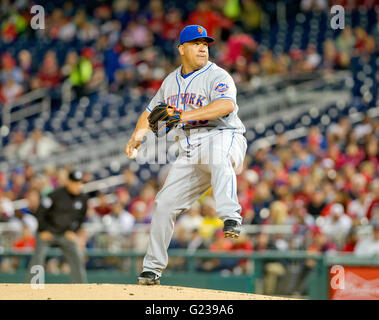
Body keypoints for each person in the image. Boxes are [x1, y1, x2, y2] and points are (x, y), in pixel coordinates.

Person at [125, 24, 247, 285]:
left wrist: (183, 115)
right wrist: (137, 137)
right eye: (195, 43)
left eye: (206, 43)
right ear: (182, 49)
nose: (203, 47)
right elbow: (150, 113)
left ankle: (231, 217)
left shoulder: (218, 75)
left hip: (224, 137)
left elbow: (226, 105)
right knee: (163, 204)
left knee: (217, 156)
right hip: (190, 151)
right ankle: (152, 269)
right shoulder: (170, 82)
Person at [26, 170, 88, 283]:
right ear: (68, 182)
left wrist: (73, 231)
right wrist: (43, 229)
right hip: (48, 232)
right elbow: (40, 212)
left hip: (65, 233)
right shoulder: (55, 195)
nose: (77, 185)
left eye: (79, 182)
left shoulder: (83, 198)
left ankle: (80, 286)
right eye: (74, 182)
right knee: (38, 257)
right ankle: (33, 285)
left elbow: (81, 218)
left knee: (77, 255)